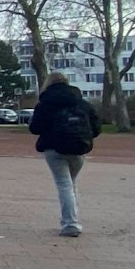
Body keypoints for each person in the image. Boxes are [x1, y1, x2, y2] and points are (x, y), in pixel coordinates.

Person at [26, 72, 100, 237]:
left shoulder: (45, 104)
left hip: (54, 149)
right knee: (71, 184)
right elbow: (96, 128)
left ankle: (70, 224)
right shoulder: (82, 103)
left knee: (64, 185)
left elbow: (35, 128)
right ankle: (72, 220)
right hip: (79, 147)